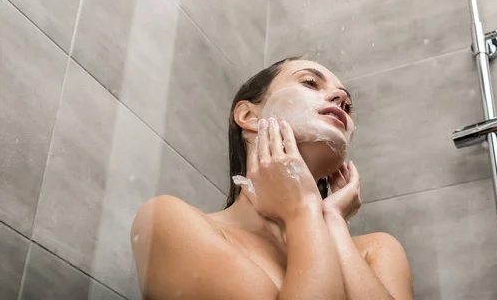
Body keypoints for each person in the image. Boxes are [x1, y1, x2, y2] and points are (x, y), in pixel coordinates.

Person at [130, 57, 413, 300]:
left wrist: (333, 221)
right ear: (249, 116)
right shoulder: (168, 222)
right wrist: (302, 209)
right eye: (310, 83)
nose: (340, 100)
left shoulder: (375, 251)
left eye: (347, 105)